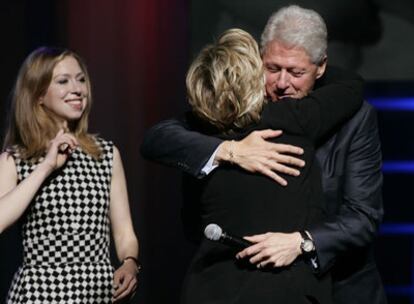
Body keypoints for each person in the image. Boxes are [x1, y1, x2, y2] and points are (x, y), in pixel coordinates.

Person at [141, 5, 386, 304]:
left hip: (342, 288)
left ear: (320, 67)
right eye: (272, 69)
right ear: (258, 59)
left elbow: (363, 217)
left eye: (296, 72)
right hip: (255, 287)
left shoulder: (355, 118)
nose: (282, 84)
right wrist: (230, 149)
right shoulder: (238, 108)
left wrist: (302, 243)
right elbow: (159, 137)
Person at [0, 47, 139, 303]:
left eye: (81, 79)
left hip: (97, 290)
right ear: (39, 94)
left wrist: (129, 263)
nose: (78, 89)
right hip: (41, 292)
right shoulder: (16, 158)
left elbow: (124, 234)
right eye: (63, 81)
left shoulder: (106, 154)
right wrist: (45, 167)